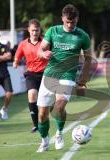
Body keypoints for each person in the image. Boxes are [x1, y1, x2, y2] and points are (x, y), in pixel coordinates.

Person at [36, 4, 92, 152]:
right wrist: (44, 54)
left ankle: (59, 133)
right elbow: (40, 49)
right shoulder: (53, 31)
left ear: (77, 19)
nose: (69, 25)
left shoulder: (83, 36)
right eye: (67, 21)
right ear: (62, 18)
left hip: (68, 75)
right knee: (42, 114)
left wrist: (83, 79)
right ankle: (45, 141)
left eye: (72, 22)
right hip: (50, 75)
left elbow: (88, 58)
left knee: (59, 106)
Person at [13, 19, 48, 132]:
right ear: (28, 30)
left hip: (45, 74)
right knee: (32, 94)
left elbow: (53, 55)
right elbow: (17, 56)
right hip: (31, 74)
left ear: (39, 30)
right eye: (32, 30)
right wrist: (16, 62)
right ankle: (35, 125)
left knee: (47, 103)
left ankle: (44, 120)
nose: (34, 33)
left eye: (37, 30)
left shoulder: (45, 43)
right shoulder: (23, 44)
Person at [0, 29, 13, 121]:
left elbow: (9, 56)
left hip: (5, 73)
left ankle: (4, 109)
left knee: (9, 93)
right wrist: (3, 57)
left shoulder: (4, 46)